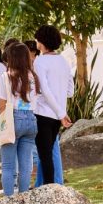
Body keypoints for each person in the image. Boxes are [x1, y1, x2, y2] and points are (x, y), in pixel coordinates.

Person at [0, 43, 40, 197]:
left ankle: (9, 201)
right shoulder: (33, 77)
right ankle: (23, 198)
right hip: (31, 119)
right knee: (25, 165)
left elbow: (2, 105)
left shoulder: (6, 77)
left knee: (8, 165)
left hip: (12, 119)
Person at [32, 25, 73, 187]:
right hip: (57, 116)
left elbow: (44, 90)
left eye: (37, 40)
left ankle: (49, 189)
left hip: (43, 114)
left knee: (45, 155)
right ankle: (48, 187)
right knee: (47, 154)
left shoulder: (40, 61)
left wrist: (61, 113)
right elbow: (70, 91)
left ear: (42, 42)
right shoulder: (63, 61)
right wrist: (61, 112)